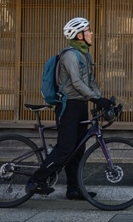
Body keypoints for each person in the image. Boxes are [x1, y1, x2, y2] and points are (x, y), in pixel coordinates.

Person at [26, 17, 112, 200]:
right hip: (68, 106)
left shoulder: (86, 55)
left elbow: (91, 83)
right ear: (79, 35)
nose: (91, 33)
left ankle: (73, 189)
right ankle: (36, 180)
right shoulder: (70, 55)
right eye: (88, 31)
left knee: (77, 150)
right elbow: (77, 82)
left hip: (81, 105)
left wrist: (102, 99)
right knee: (65, 148)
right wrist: (96, 99)